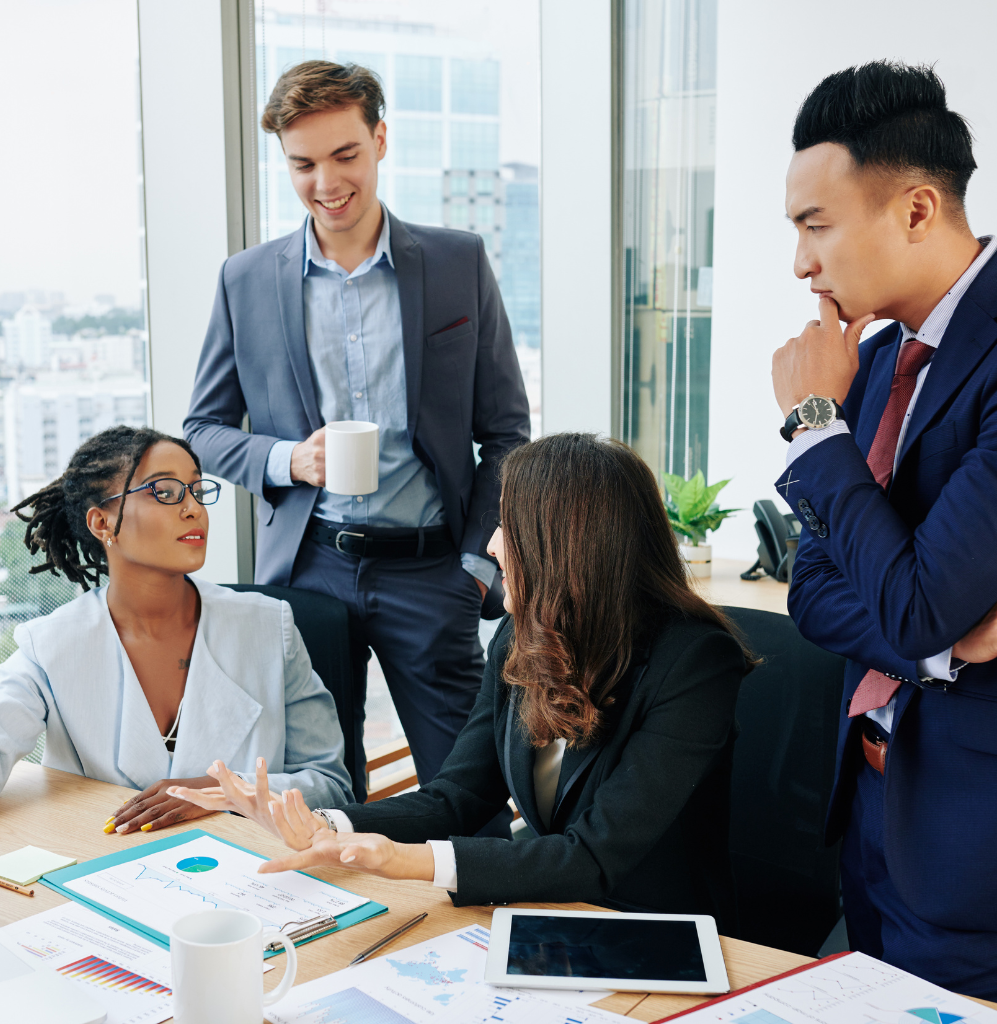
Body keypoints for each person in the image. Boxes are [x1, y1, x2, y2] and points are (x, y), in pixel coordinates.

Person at [170, 433, 751, 918]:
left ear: (570, 548)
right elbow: (457, 798)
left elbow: (593, 856)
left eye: (509, 524)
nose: (494, 543)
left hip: (656, 929)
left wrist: (400, 860)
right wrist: (319, 821)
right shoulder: (524, 635)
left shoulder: (695, 663)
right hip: (550, 907)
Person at [183, 60, 530, 803]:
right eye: (302, 164)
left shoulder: (455, 262)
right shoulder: (245, 280)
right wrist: (288, 459)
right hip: (307, 574)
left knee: (466, 794)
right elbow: (203, 430)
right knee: (320, 795)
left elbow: (506, 432)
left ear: (379, 140)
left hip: (432, 575)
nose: (325, 182)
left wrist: (475, 565)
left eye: (344, 156)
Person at [772, 60, 997, 1004]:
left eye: (816, 225)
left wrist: (812, 423)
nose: (802, 263)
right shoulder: (871, 360)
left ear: (916, 210)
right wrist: (951, 644)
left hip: (981, 841)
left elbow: (912, 599)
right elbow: (814, 592)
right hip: (873, 808)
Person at [0, 426, 353, 834]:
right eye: (164, 492)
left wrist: (219, 791)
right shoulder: (49, 646)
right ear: (101, 522)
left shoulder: (269, 627)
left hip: (254, 873)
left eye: (197, 490)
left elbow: (331, 785)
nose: (194, 509)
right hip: (108, 873)